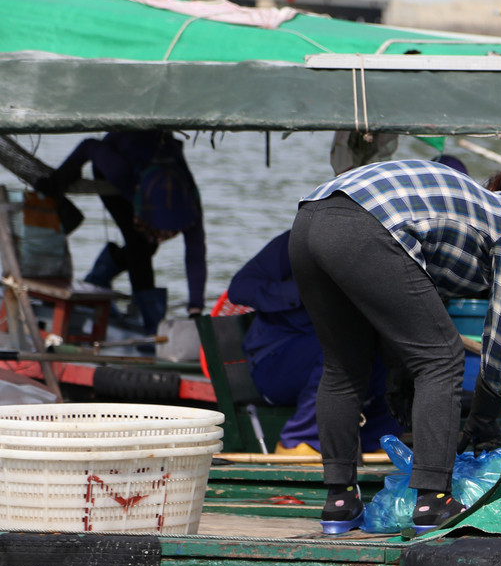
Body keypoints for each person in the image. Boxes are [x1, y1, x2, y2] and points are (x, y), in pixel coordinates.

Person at [288, 159, 501, 535]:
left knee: (344, 367)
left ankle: (339, 502)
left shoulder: (472, 210)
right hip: (368, 220)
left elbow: (403, 312)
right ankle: (434, 501)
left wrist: (398, 377)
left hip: (310, 218)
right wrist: (485, 414)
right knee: (443, 359)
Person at [227, 231, 402, 456]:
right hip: (276, 361)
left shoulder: (383, 248)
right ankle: (301, 442)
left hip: (346, 357)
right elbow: (240, 288)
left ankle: (378, 442)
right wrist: (307, 290)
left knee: (400, 352)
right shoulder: (297, 242)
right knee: (340, 347)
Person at [36, 130, 206, 332]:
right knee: (139, 246)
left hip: (161, 166)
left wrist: (195, 308)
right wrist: (58, 180)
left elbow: (196, 256)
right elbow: (89, 145)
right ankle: (148, 320)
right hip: (120, 157)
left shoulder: (191, 205)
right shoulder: (120, 173)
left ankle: (98, 281)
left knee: (147, 246)